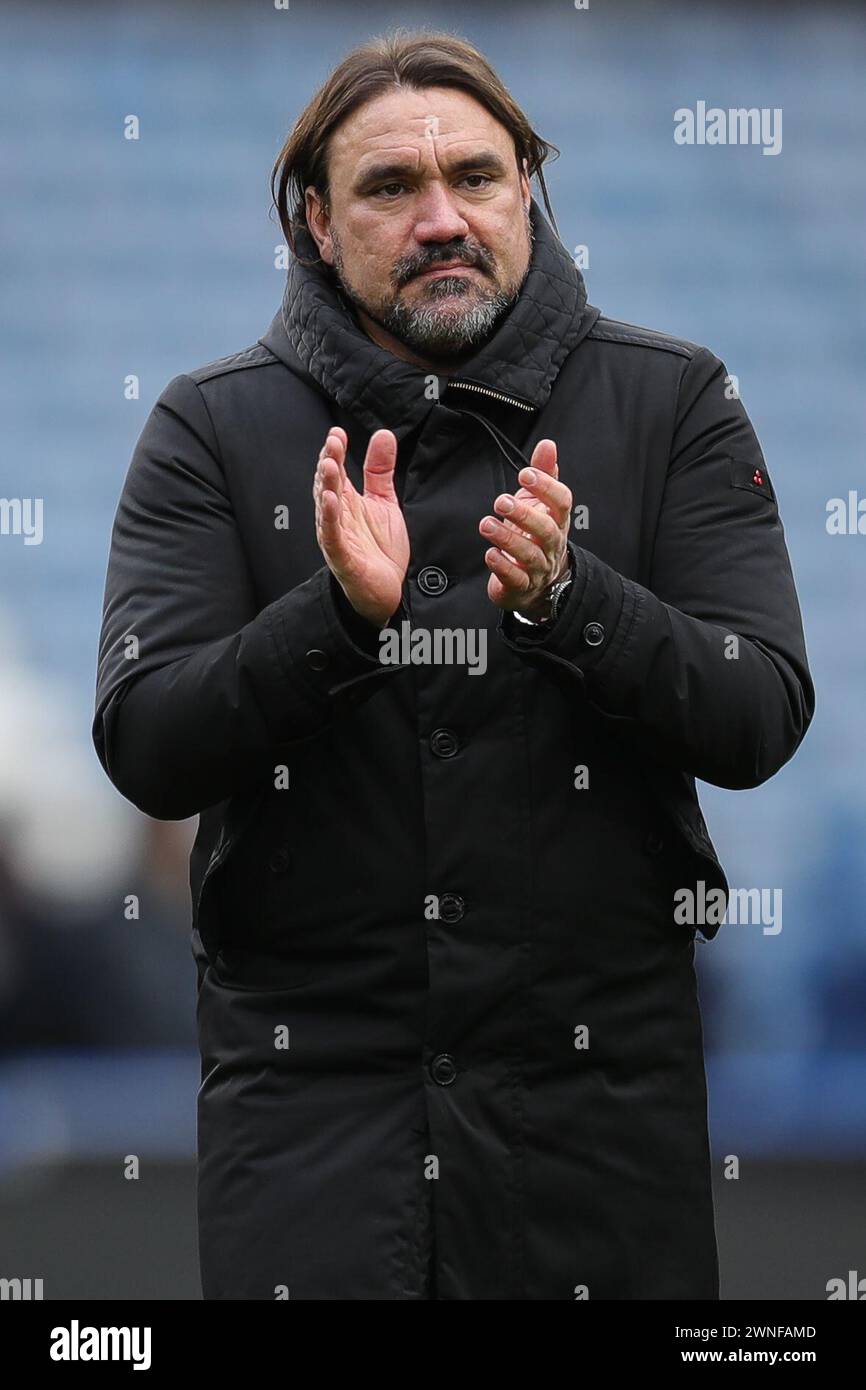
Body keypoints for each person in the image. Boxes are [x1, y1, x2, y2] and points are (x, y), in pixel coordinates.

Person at [92, 29, 815, 1300]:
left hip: (597, 1126)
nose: (441, 219)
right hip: (311, 1117)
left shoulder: (675, 399)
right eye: (388, 188)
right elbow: (146, 740)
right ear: (316, 221)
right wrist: (337, 621)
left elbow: (756, 708)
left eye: (475, 178)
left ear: (525, 189)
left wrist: (576, 601)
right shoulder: (209, 427)